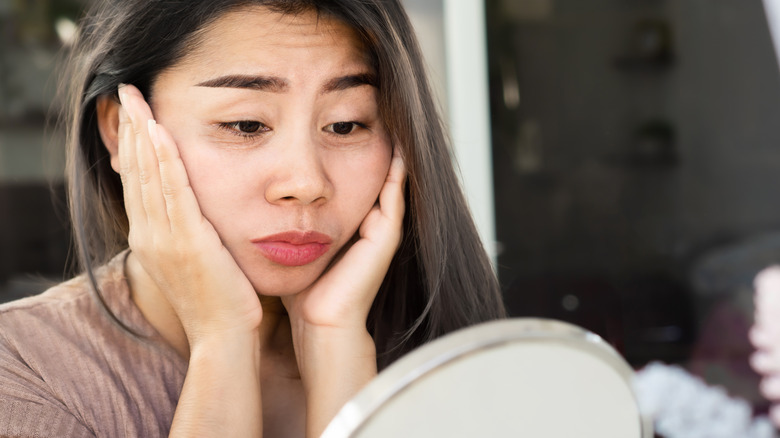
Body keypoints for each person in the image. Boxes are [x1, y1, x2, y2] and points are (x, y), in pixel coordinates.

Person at [0, 0, 506, 437]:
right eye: (245, 124)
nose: (306, 182)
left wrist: (337, 350)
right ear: (120, 129)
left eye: (346, 123)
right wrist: (222, 341)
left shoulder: (460, 362)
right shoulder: (25, 372)